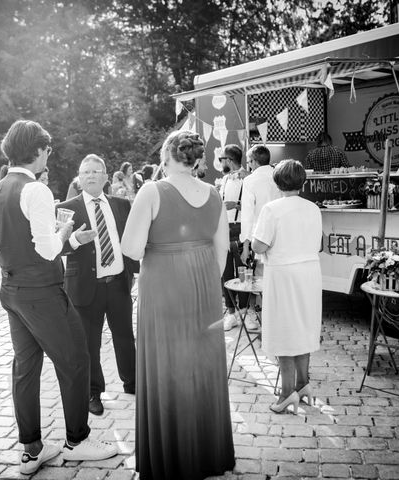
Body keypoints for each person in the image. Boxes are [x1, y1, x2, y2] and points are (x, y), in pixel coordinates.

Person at [0, 120, 117, 476]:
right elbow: (45, 250)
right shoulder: (36, 190)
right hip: (42, 293)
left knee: (25, 369)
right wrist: (64, 230)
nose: (49, 155)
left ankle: (31, 450)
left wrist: (73, 242)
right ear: (39, 151)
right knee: (76, 360)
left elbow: (20, 246)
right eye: (48, 149)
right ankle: (77, 440)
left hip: (11, 291)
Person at [121, 130, 234, 479]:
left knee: (167, 365)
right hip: (203, 282)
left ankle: (172, 456)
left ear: (167, 156)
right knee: (201, 365)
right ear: (197, 159)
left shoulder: (152, 191)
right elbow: (223, 248)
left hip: (164, 284)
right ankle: (207, 452)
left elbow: (131, 248)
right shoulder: (214, 193)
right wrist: (203, 280)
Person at [57, 154, 139, 416]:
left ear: (106, 176)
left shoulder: (121, 204)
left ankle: (133, 382)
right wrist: (76, 241)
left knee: (125, 336)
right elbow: (56, 249)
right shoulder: (67, 209)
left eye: (96, 171)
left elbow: (130, 239)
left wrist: (135, 270)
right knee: (89, 343)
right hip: (84, 287)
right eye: (86, 172)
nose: (91, 175)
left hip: (118, 284)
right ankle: (94, 392)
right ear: (79, 179)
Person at [250, 159, 322, 414]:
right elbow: (318, 244)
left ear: (277, 181)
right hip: (310, 273)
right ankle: (303, 385)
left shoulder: (272, 209)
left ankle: (286, 392)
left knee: (284, 331)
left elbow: (258, 246)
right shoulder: (313, 208)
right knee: (303, 327)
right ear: (302, 181)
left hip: (283, 274)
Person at [217, 144, 250, 331]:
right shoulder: (224, 180)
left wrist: (236, 205)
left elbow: (254, 207)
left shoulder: (247, 179)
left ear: (229, 160)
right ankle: (231, 313)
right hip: (223, 229)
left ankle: (244, 311)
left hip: (240, 229)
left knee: (243, 272)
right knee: (226, 273)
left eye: (222, 159)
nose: (221, 162)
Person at [239, 144, 281, 277]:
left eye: (248, 162)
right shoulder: (279, 176)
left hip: (260, 238)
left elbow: (247, 216)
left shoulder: (250, 181)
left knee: (261, 284)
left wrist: (245, 248)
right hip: (281, 234)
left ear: (253, 161)